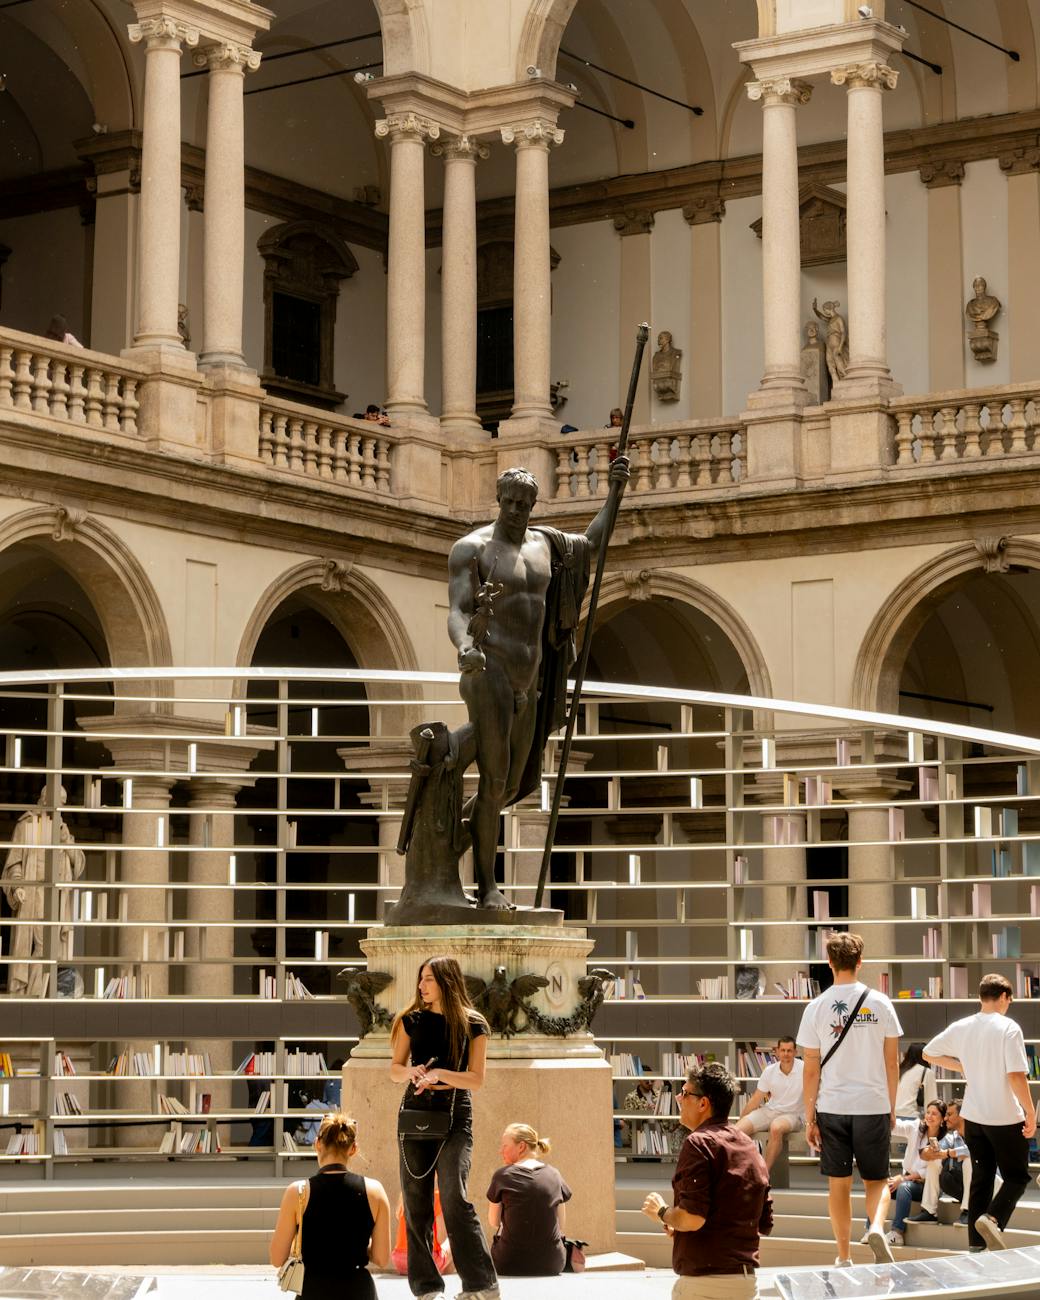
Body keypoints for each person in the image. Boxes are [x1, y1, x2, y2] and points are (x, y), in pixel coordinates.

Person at [446, 459, 629, 908]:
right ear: (498, 500)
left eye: (523, 504)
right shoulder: (472, 549)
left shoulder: (546, 546)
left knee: (513, 785)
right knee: (494, 780)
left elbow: (592, 542)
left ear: (532, 505)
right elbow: (458, 611)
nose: (515, 511)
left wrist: (615, 494)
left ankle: (448, 837)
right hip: (488, 669)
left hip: (531, 676)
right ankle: (487, 887)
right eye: (508, 502)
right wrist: (462, 649)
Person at [390, 955, 499, 1300]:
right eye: (420, 979)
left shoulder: (473, 1023)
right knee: (416, 1201)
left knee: (455, 1196)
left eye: (428, 980)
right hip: (415, 1111)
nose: (421, 986)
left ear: (447, 983)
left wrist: (440, 1074)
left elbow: (476, 1079)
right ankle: (426, 1287)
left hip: (455, 1116)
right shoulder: (410, 1020)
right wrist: (411, 1072)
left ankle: (482, 1284)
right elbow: (394, 1067)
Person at [797, 932, 902, 1268]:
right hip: (872, 1105)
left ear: (829, 963)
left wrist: (810, 1117)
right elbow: (891, 1064)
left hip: (832, 1107)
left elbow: (811, 1070)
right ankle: (875, 1227)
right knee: (877, 1181)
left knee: (838, 1186)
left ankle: (844, 1256)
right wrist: (892, 1108)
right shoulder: (881, 1003)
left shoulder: (815, 1007)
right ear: (860, 962)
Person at [641, 1062, 772, 1299]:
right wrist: (681, 1227)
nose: (679, 1099)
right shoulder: (748, 1146)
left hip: (704, 1285)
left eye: (685, 1093)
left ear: (703, 1103)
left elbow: (692, 1219)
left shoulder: (698, 1143)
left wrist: (662, 1212)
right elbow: (761, 1222)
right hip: (746, 1283)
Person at [924, 973, 1035, 1251]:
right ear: (1004, 998)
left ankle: (975, 1244)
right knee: (1017, 1177)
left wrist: (963, 1067)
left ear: (981, 997)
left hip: (974, 1117)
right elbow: (1017, 1076)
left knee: (981, 1178)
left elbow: (928, 1053)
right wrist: (1031, 1113)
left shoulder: (963, 1026)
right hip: (1005, 1116)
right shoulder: (1009, 1027)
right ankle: (993, 1218)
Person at [269, 1111, 390, 1300]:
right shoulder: (375, 1191)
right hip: (358, 1290)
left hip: (313, 1289)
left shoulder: (298, 1192)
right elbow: (382, 1258)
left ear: (317, 1144)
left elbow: (277, 1258)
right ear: (353, 1148)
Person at [487, 1122, 571, 1276]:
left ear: (521, 1146)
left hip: (508, 1263)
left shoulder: (503, 1176)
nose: (500, 1151)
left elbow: (493, 1222)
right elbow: (561, 1224)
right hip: (552, 1264)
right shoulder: (555, 1175)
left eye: (505, 1146)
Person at [878, 1099, 948, 1246]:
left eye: (934, 1114)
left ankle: (897, 1233)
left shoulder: (945, 1141)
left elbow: (926, 1172)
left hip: (927, 1187)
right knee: (881, 1188)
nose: (929, 1116)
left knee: (904, 1187)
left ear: (942, 1119)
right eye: (928, 1112)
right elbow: (897, 1127)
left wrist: (903, 1179)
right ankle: (872, 1230)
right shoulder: (916, 1127)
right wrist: (883, 1116)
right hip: (908, 1180)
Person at [735, 1036, 805, 1172]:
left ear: (795, 1052)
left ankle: (763, 1174)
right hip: (770, 1111)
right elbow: (756, 1099)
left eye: (789, 1051)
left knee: (776, 1128)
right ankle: (740, 1171)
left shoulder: (804, 1069)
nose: (786, 1054)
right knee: (737, 1130)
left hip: (794, 1115)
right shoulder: (769, 1071)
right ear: (777, 1052)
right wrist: (741, 1119)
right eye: (783, 1050)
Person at [919, 1098, 973, 1227]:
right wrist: (929, 1151)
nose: (945, 1118)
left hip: (989, 1187)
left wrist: (949, 1153)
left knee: (968, 1160)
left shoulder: (978, 1133)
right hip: (962, 1188)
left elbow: (975, 1151)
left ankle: (968, 1211)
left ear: (962, 1115)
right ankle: (929, 1212)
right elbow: (937, 1151)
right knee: (935, 1161)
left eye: (949, 1114)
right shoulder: (952, 1137)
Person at [392, 1184, 453, 1277]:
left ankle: (438, 1273)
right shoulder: (436, 1196)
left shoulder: (404, 1195)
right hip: (427, 1262)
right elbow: (441, 1238)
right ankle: (444, 1278)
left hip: (400, 1261)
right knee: (454, 1241)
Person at [895, 1043, 938, 1121]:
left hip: (892, 1118)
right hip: (911, 1118)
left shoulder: (898, 1070)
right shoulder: (926, 1072)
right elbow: (932, 1102)